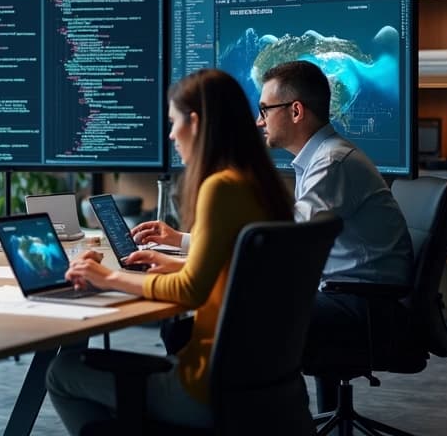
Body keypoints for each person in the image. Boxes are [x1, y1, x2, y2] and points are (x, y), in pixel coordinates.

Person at [130, 61, 413, 409]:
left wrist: (189, 259)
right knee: (202, 322)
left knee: (184, 331)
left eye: (265, 109)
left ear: (296, 111)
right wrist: (185, 242)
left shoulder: (331, 164)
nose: (258, 120)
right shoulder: (325, 159)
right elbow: (270, 242)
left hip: (359, 309)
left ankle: (229, 414)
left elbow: (278, 247)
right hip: (349, 298)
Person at [46, 69, 293, 433]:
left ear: (194, 122)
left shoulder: (220, 187)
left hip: (204, 389)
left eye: (174, 122)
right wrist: (177, 267)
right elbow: (230, 272)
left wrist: (110, 278)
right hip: (265, 388)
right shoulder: (263, 185)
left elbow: (191, 291)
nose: (171, 135)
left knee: (62, 371)